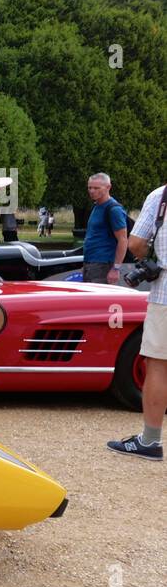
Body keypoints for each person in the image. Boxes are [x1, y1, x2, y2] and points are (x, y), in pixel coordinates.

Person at [108, 184, 167, 460]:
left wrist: (151, 258)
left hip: (165, 296)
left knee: (157, 365)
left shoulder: (161, 196)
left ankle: (151, 440)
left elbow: (136, 243)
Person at [82, 173, 128, 284]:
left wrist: (116, 268)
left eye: (96, 188)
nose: (92, 191)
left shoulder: (113, 209)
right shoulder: (97, 206)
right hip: (91, 263)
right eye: (90, 187)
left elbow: (123, 240)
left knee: (97, 300)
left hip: (104, 265)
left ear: (108, 187)